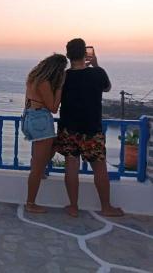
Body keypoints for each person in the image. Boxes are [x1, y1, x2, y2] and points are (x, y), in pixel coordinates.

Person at [54, 39, 124, 217]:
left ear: (68, 55)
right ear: (85, 54)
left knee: (71, 167)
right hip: (92, 129)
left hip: (69, 128)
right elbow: (107, 88)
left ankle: (73, 207)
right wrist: (96, 64)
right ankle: (106, 207)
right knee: (100, 169)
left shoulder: (64, 76)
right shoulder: (97, 73)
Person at [22, 54, 67, 213]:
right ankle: (30, 203)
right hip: (41, 119)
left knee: (55, 143)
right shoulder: (44, 83)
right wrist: (60, 87)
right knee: (37, 167)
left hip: (31, 117)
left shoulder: (33, 78)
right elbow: (53, 107)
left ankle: (38, 169)